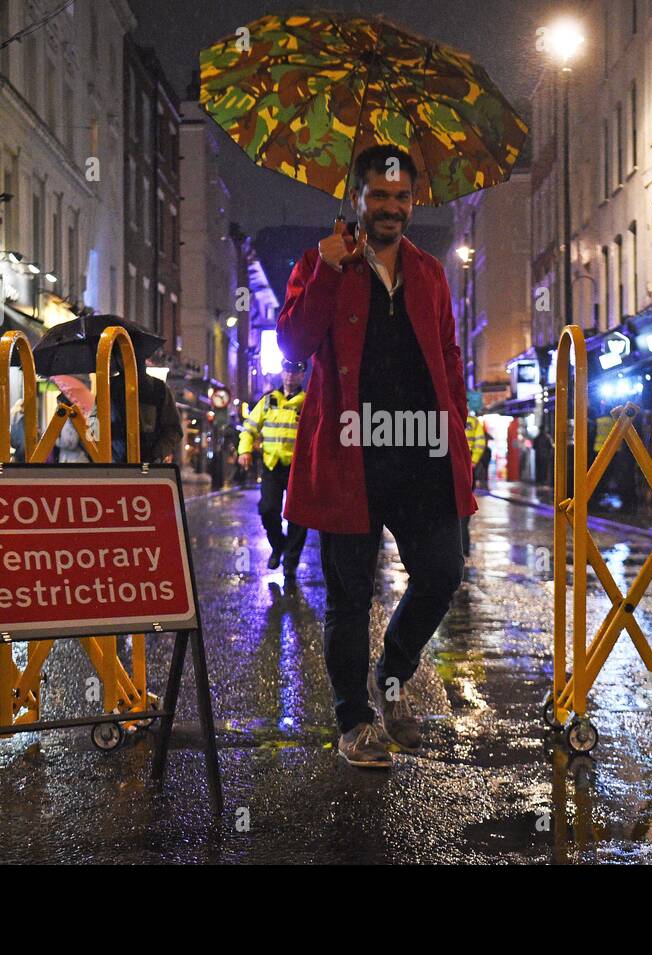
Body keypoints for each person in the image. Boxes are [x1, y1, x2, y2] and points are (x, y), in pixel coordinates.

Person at [277, 144, 474, 768]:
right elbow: (292, 342)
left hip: (421, 451)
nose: (391, 207)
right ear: (356, 198)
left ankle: (393, 673)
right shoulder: (324, 261)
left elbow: (447, 354)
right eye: (379, 196)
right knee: (349, 598)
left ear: (411, 203)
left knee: (442, 571)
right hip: (349, 455)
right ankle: (353, 722)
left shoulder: (430, 271)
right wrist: (329, 271)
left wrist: (456, 424)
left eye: (401, 197)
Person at [238, 359, 309, 576]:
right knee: (268, 510)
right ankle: (279, 546)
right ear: (282, 373)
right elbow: (250, 428)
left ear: (302, 375)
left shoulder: (307, 402)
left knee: (298, 517)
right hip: (272, 465)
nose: (290, 376)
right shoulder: (268, 401)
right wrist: (245, 450)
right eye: (287, 371)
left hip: (298, 468)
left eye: (295, 372)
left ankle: (290, 561)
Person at [461, 410, 487, 555]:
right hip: (468, 465)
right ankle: (463, 547)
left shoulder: (446, 414)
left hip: (454, 464)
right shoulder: (473, 422)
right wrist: (473, 461)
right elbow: (480, 442)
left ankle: (460, 547)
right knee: (464, 505)